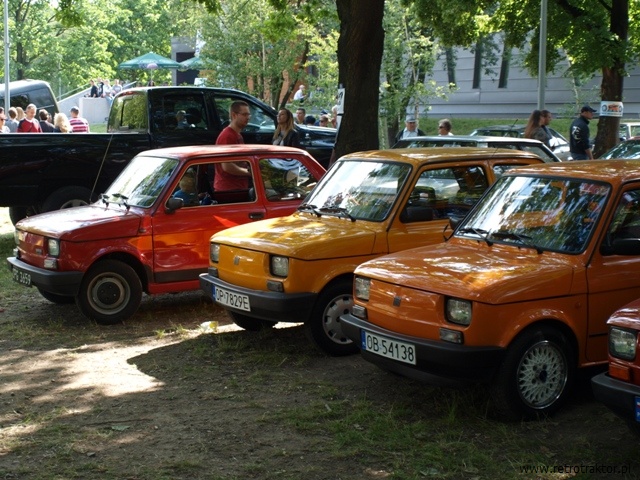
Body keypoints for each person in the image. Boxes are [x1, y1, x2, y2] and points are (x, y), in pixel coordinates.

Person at [214, 101, 252, 191]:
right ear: (234, 115)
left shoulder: (237, 135)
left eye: (248, 115)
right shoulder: (227, 136)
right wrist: (250, 172)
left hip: (238, 187)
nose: (248, 118)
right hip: (229, 189)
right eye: (244, 114)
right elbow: (227, 166)